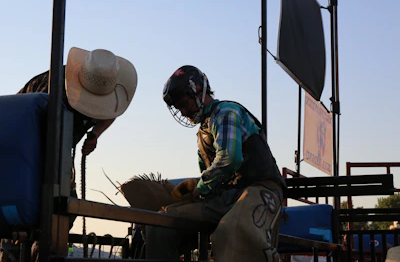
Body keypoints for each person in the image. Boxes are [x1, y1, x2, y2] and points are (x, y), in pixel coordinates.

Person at [0, 47, 137, 262]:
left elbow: (114, 111)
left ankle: (40, 247)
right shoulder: (53, 92)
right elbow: (23, 137)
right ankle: (28, 249)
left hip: (58, 149)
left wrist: (95, 134)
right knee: (40, 208)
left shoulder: (107, 90)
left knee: (66, 205)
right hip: (25, 149)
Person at [145, 65, 286, 261]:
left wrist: (201, 187)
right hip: (227, 196)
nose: (184, 111)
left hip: (259, 188)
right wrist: (196, 185)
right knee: (159, 223)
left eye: (185, 103)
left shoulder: (226, 112)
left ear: (200, 91)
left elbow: (229, 159)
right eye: (179, 108)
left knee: (236, 232)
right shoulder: (203, 132)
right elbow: (212, 174)